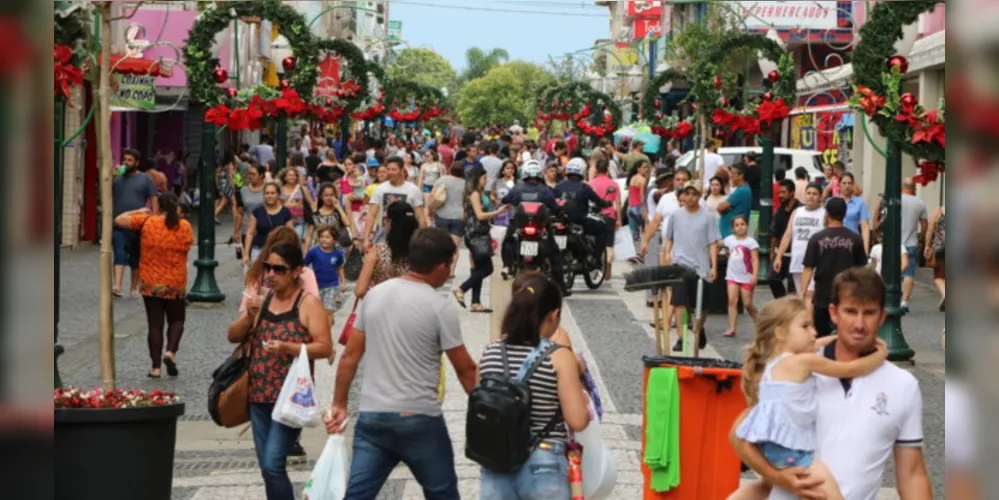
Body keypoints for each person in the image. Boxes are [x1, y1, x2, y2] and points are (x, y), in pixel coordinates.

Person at [730, 268, 931, 500]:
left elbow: (912, 473)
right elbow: (739, 435)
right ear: (834, 313)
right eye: (850, 311)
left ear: (882, 316)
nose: (859, 323)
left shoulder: (903, 385)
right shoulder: (797, 369)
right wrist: (778, 477)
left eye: (869, 313)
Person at [325, 228, 478, 499]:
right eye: (450, 265)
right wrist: (485, 412)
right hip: (418, 419)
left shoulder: (375, 295)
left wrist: (339, 404)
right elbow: (465, 369)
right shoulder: (439, 306)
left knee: (357, 495)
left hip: (372, 418)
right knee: (442, 492)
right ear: (442, 266)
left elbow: (350, 357)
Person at [728, 295, 889, 500]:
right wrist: (881, 354)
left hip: (773, 452)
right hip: (796, 454)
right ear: (780, 333)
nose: (813, 332)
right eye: (805, 326)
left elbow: (815, 344)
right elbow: (850, 369)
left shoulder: (773, 364)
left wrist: (837, 338)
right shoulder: (801, 363)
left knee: (767, 488)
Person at [226, 243, 332, 500]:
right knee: (267, 468)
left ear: (297, 271)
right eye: (267, 268)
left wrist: (287, 347)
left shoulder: (308, 303)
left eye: (279, 269)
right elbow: (233, 336)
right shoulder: (265, 300)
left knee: (273, 464)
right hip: (258, 396)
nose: (271, 274)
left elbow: (324, 347)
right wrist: (248, 316)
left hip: (290, 398)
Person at [477, 274, 591, 499]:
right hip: (544, 463)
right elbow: (577, 420)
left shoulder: (490, 351)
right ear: (553, 315)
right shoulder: (558, 356)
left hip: (495, 462)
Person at [113, 193, 193, 378]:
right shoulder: (185, 226)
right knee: (177, 320)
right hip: (175, 280)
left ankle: (155, 368)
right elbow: (188, 246)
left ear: (159, 206)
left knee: (155, 325)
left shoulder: (147, 221)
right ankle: (170, 352)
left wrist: (138, 210)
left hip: (151, 281)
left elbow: (119, 220)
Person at [661, 182, 721, 351]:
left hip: (701, 266)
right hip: (681, 263)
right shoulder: (675, 215)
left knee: (702, 305)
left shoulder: (708, 217)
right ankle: (681, 337)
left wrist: (714, 266)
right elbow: (669, 237)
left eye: (694, 194)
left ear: (700, 196)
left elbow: (712, 243)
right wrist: (667, 252)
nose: (690, 198)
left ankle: (699, 327)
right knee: (680, 301)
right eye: (687, 194)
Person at [500, 160, 571, 295]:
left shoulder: (517, 188)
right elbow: (556, 208)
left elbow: (506, 200)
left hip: (519, 227)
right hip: (541, 228)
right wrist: (562, 215)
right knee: (555, 253)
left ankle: (508, 266)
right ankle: (561, 288)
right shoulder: (545, 190)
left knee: (507, 242)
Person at [800, 197, 868, 337]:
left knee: (821, 335)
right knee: (845, 333)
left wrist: (802, 293)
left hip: (822, 294)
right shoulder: (855, 239)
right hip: (848, 293)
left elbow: (808, 268)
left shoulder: (816, 238)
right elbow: (862, 270)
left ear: (827, 214)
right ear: (844, 214)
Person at [455, 167, 506, 312]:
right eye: (484, 178)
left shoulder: (468, 193)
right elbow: (480, 215)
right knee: (487, 268)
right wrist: (498, 212)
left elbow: (465, 215)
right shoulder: (475, 193)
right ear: (478, 179)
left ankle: (476, 303)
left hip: (473, 233)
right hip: (477, 235)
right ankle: (461, 289)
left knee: (478, 268)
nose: (485, 181)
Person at [639, 168, 690, 308]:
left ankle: (680, 319)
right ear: (672, 182)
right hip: (667, 248)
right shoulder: (666, 199)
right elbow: (656, 221)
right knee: (668, 284)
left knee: (681, 284)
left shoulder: (694, 200)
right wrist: (645, 241)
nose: (681, 183)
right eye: (678, 179)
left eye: (684, 180)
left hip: (687, 249)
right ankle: (668, 319)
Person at [112, 148, 158, 298]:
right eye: (124, 159)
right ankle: (117, 285)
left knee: (135, 258)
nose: (126, 163)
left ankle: (133, 287)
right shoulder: (117, 179)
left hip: (139, 224)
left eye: (130, 160)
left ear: (137, 163)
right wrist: (111, 175)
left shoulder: (145, 179)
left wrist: (155, 219)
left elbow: (154, 199)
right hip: (119, 223)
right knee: (119, 253)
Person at [354, 201, 419, 299]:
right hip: (410, 308)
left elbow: (360, 291)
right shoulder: (420, 252)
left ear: (389, 222)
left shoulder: (378, 250)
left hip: (380, 307)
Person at [361, 156, 427, 250]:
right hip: (383, 233)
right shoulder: (380, 189)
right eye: (388, 169)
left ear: (402, 170)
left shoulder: (413, 190)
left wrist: (423, 239)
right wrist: (366, 238)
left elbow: (420, 216)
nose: (390, 172)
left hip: (406, 235)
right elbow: (371, 214)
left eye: (394, 169)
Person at [774, 184, 825, 299]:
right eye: (809, 193)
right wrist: (779, 256)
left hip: (816, 261)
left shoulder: (824, 214)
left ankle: (810, 317)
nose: (811, 196)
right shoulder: (797, 212)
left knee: (810, 294)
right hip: (798, 258)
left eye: (815, 194)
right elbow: (788, 235)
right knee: (801, 294)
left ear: (820, 197)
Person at [555, 157, 612, 258]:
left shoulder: (558, 186)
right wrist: (607, 203)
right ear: (583, 171)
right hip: (580, 221)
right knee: (603, 227)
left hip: (560, 221)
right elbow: (597, 201)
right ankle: (596, 257)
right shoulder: (584, 187)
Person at [723, 215, 760, 337]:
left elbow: (755, 260)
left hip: (746, 276)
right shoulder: (729, 240)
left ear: (747, 226)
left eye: (742, 224)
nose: (740, 227)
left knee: (747, 303)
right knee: (732, 301)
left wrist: (755, 275)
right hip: (732, 276)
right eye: (737, 225)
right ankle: (732, 328)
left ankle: (759, 321)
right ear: (733, 228)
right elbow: (718, 244)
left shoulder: (751, 242)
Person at [587, 158, 622, 279]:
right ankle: (608, 264)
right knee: (609, 244)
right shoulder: (613, 184)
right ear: (607, 169)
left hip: (594, 216)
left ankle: (595, 261)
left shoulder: (591, 184)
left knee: (594, 241)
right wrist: (619, 220)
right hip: (609, 216)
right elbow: (618, 203)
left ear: (596, 170)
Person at [243, 182, 295, 264]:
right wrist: (246, 254)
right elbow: (250, 233)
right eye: (267, 193)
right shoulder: (257, 212)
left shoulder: (285, 212)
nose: (269, 196)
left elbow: (291, 234)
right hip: (259, 250)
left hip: (279, 251)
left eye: (272, 193)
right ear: (264, 195)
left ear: (278, 194)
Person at [306, 225, 346, 324]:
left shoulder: (338, 254)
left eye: (327, 237)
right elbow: (304, 266)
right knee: (317, 311)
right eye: (322, 236)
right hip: (316, 286)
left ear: (334, 240)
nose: (324, 239)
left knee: (328, 310)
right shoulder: (313, 252)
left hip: (332, 286)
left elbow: (339, 267)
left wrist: (343, 282)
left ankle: (328, 332)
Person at [769, 180, 802, 298]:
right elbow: (774, 233)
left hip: (796, 254)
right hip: (781, 254)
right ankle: (783, 303)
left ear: (792, 193)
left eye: (783, 192)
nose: (780, 195)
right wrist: (772, 252)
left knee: (793, 287)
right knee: (773, 279)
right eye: (779, 193)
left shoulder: (801, 210)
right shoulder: (779, 211)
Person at [899, 178, 928, 311]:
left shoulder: (895, 200)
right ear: (914, 189)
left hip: (895, 243)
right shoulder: (920, 203)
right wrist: (921, 238)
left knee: (893, 270)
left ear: (902, 187)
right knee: (909, 273)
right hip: (911, 242)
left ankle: (893, 296)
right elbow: (924, 224)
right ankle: (904, 302)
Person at [836, 172, 871, 254]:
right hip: (835, 244)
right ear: (839, 184)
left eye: (849, 183)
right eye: (844, 183)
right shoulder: (832, 202)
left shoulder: (860, 203)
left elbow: (865, 227)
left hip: (853, 244)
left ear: (853, 185)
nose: (847, 186)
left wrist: (865, 250)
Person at [717, 163, 752, 239]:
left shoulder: (742, 190)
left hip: (731, 234)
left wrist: (724, 209)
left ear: (741, 175)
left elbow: (720, 207)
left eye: (733, 174)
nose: (731, 176)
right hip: (729, 234)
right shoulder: (741, 189)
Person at [924, 204, 946, 312]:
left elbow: (930, 229)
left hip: (941, 248)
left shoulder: (938, 211)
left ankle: (945, 294)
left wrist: (927, 246)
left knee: (938, 276)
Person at [626, 159, 651, 241]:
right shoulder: (642, 180)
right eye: (644, 167)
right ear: (638, 169)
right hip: (639, 208)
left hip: (630, 207)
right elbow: (642, 196)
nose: (646, 169)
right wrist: (645, 211)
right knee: (645, 232)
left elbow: (629, 194)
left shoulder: (632, 178)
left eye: (647, 167)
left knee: (632, 233)